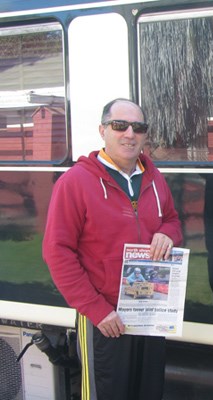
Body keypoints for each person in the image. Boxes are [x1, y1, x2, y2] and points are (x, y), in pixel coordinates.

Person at [43, 98, 182, 400]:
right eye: (120, 125)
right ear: (103, 130)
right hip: (105, 319)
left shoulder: (154, 179)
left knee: (148, 393)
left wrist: (167, 235)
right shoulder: (75, 182)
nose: (130, 134)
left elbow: (172, 220)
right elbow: (57, 252)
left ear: (145, 135)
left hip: (149, 313)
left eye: (138, 127)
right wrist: (97, 311)